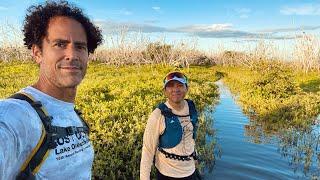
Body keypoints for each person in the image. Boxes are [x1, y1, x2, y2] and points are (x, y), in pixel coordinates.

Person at [0, 1, 102, 179]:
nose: (72, 55)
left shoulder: (71, 112)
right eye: (60, 44)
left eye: (80, 47)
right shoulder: (14, 115)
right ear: (37, 52)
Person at [140, 72, 200, 180]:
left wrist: (194, 157)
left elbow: (191, 136)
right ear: (164, 91)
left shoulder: (191, 108)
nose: (175, 89)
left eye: (180, 85)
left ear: (187, 88)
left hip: (190, 171)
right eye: (170, 86)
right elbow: (147, 150)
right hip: (167, 174)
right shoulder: (158, 115)